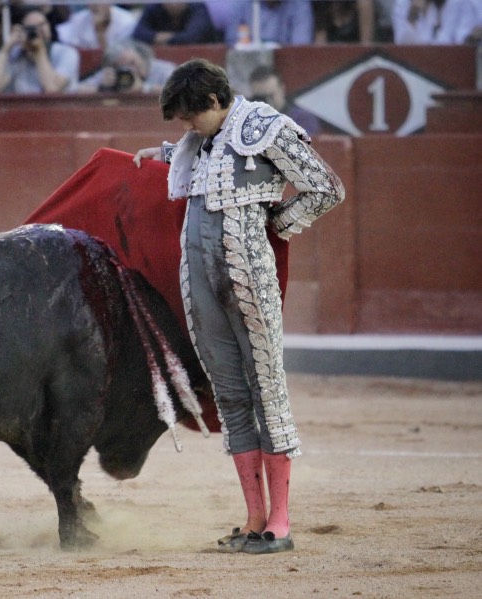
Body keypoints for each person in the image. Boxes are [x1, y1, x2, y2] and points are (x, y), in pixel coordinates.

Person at [133, 59, 344, 554]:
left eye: (189, 116)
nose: (186, 126)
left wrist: (280, 224)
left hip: (249, 281)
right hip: (202, 285)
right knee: (230, 395)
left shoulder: (266, 127)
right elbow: (205, 164)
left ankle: (280, 522)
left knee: (266, 391)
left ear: (212, 101)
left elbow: (327, 187)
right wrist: (162, 152)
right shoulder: (198, 143)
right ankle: (253, 517)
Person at [0, 7, 79, 94]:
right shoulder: (16, 55)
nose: (38, 31)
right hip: (22, 112)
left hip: (60, 112)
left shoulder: (66, 53)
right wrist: (6, 49)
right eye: (31, 28)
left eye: (42, 25)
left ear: (49, 27)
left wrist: (39, 52)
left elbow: (52, 89)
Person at [75, 39, 175, 94]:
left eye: (133, 63)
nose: (131, 70)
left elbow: (183, 93)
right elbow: (74, 90)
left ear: (142, 57)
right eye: (124, 67)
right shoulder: (113, 73)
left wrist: (144, 88)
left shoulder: (164, 69)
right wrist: (100, 88)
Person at [248, 65, 321, 136]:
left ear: (282, 89)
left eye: (270, 96)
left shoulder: (303, 118)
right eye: (260, 98)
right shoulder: (247, 121)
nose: (265, 101)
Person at [224, 0, 315, 46]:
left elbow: (300, 48)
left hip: (286, 66)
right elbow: (233, 43)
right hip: (247, 65)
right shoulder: (241, 3)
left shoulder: (299, 5)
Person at [392, 0, 481, 44]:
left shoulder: (451, 3)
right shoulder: (402, 3)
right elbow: (401, 40)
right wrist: (413, 12)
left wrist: (471, 37)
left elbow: (451, 39)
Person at [55, 2, 138, 49]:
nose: (95, 4)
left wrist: (100, 33)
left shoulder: (126, 21)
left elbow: (116, 57)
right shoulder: (78, 19)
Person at [132, 2, 218, 46]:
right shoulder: (154, 7)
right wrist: (176, 37)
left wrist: (159, 38)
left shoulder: (198, 7)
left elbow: (190, 38)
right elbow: (138, 33)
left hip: (203, 63)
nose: (174, 2)